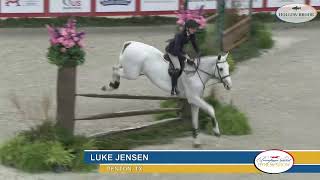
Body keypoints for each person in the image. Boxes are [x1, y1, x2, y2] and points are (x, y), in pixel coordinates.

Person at [165, 19, 201, 95]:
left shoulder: (192, 34)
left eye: (195, 28)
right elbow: (176, 51)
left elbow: (195, 45)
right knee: (178, 68)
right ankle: (173, 88)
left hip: (180, 50)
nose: (195, 30)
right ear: (187, 28)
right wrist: (186, 60)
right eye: (193, 28)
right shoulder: (179, 35)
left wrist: (199, 54)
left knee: (190, 65)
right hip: (172, 51)